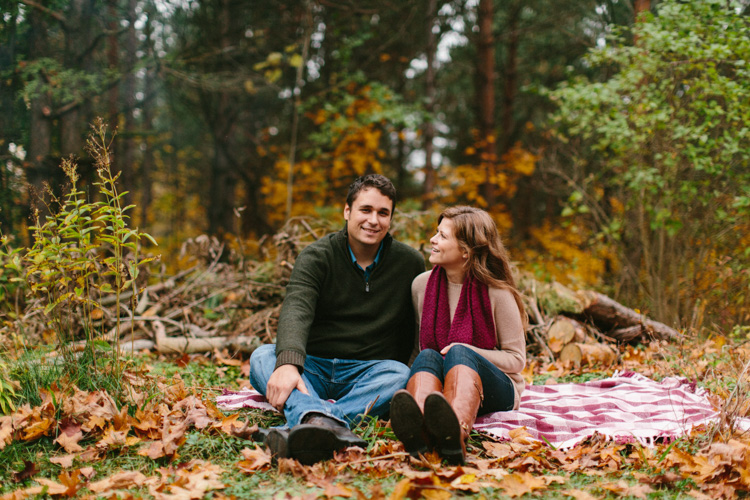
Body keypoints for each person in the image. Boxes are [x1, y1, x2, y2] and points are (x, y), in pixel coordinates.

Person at [249, 174, 425, 465]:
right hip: (312, 367)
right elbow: (297, 308)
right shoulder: (317, 256)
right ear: (347, 212)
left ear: (391, 219)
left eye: (383, 213)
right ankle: (329, 423)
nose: (373, 220)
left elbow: (415, 324)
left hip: (367, 371)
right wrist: (289, 362)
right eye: (365, 210)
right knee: (263, 357)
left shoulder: (409, 263)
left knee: (398, 375)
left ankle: (310, 420)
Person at [390, 206, 527, 465]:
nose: (433, 239)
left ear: (465, 251)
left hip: (497, 389)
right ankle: (419, 431)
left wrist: (467, 351)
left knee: (459, 352)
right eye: (436, 232)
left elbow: (517, 360)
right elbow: (420, 351)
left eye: (442, 236)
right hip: (441, 387)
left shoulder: (497, 293)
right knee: (430, 354)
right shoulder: (421, 285)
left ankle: (455, 434)